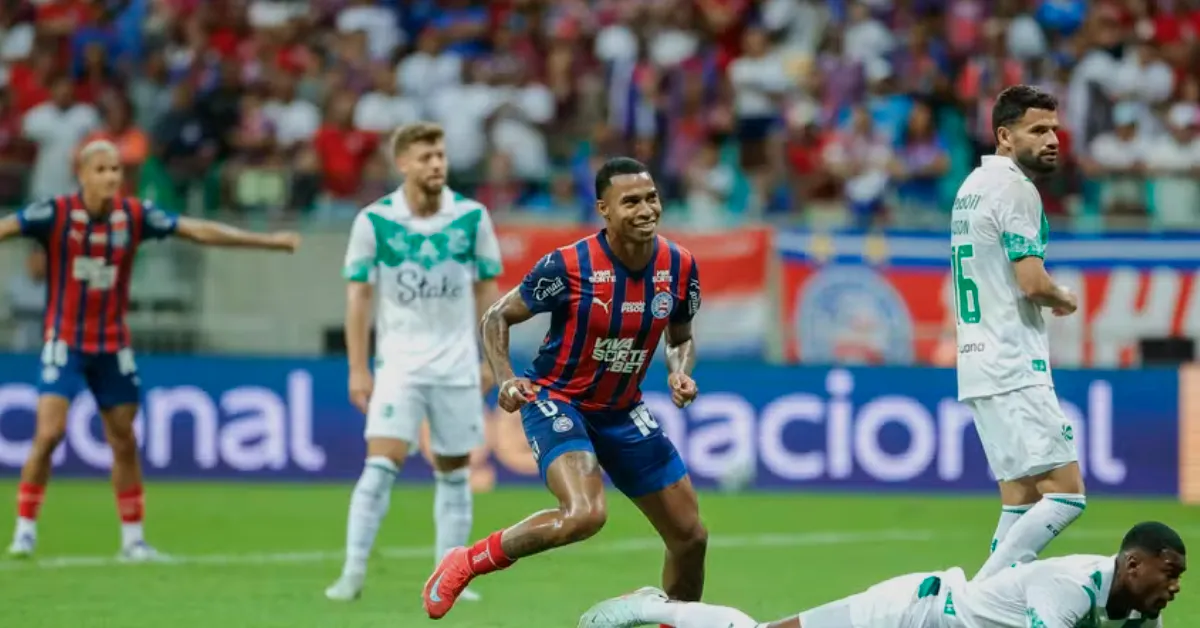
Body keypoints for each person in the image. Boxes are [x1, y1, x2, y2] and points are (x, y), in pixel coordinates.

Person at [422, 157, 706, 620]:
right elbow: (497, 316)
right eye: (630, 201)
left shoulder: (679, 265)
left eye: (651, 198)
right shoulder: (569, 265)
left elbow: (681, 336)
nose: (646, 210)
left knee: (690, 537)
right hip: (559, 400)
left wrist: (680, 371)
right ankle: (468, 561)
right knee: (584, 514)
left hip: (623, 410)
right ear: (604, 210)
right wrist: (505, 378)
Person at [0, 140, 300, 560]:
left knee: (124, 440)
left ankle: (133, 541)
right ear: (82, 175)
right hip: (64, 342)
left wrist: (266, 241)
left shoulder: (134, 216)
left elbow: (198, 231)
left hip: (113, 346)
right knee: (49, 434)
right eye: (101, 169)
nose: (111, 177)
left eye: (116, 170)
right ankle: (25, 532)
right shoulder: (54, 213)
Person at [325, 122, 502, 602]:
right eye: (426, 157)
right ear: (402, 163)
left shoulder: (472, 217)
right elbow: (359, 297)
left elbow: (488, 292)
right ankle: (352, 574)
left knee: (455, 473)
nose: (437, 164)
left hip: (457, 366)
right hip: (399, 366)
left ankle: (450, 579)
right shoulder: (374, 221)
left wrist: (492, 357)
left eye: (440, 155)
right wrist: (358, 367)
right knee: (380, 466)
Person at [949, 85, 1084, 580]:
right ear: (1005, 136)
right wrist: (1063, 297)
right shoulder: (1016, 190)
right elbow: (1031, 283)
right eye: (1038, 130)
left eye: (1054, 129)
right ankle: (976, 601)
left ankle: (981, 599)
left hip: (978, 362)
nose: (1052, 139)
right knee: (1067, 494)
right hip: (1012, 363)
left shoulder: (972, 187)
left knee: (1021, 498)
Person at [579, 521, 1185, 628]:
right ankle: (655, 605)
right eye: (1169, 573)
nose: (1176, 587)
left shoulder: (1138, 612)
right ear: (1132, 565)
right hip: (909, 612)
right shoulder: (1070, 586)